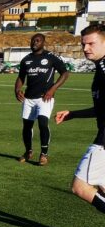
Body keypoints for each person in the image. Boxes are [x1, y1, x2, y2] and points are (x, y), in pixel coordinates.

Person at [55, 23, 105, 214]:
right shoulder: (100, 69)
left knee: (80, 186)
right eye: (83, 44)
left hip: (104, 140)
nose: (85, 49)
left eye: (91, 44)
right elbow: (101, 109)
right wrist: (74, 114)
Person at [15, 34, 70, 165]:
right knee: (27, 127)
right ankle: (28, 151)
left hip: (44, 98)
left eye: (38, 40)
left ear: (43, 42)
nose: (34, 42)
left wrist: (53, 89)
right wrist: (17, 90)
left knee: (42, 124)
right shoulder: (26, 60)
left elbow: (65, 73)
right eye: (33, 40)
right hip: (28, 99)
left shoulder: (51, 57)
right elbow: (21, 77)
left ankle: (43, 154)